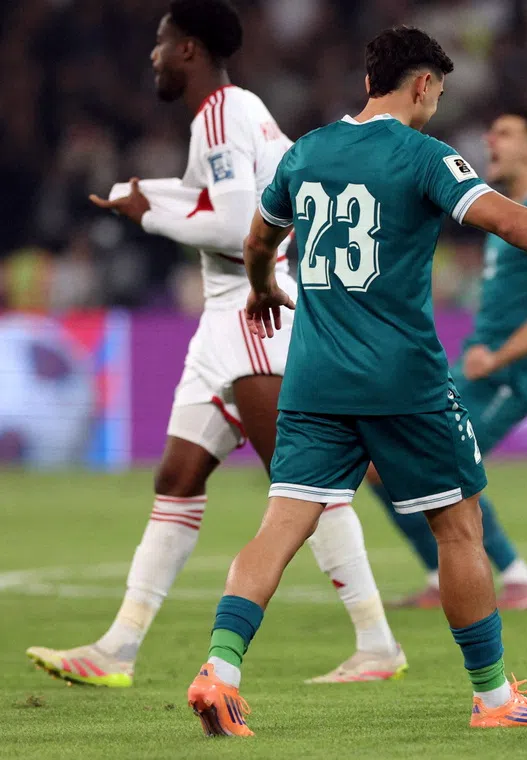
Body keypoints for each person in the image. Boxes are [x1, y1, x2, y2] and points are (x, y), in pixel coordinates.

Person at [185, 26, 527, 736]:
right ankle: (496, 699)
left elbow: (258, 241)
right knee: (459, 526)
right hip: (403, 381)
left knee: (281, 526)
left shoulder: (308, 152)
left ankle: (219, 672)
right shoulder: (424, 157)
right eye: (438, 89)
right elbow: (507, 219)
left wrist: (262, 287)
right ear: (420, 84)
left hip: (314, 380)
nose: (438, 102)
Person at [25, 0, 403, 688]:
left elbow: (235, 229)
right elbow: (217, 197)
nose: (153, 56)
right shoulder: (232, 114)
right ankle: (118, 648)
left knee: (301, 483)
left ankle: (377, 643)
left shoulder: (225, 113)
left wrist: (150, 218)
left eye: (163, 44)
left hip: (255, 316)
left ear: (191, 50)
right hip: (222, 322)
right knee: (177, 478)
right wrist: (149, 192)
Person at [367, 109, 527, 610]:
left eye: (505, 132)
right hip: (476, 367)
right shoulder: (507, 210)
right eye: (491, 131)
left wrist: (497, 359)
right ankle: (438, 575)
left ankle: (520, 579)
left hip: (510, 375)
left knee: (444, 464)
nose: (490, 139)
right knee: (381, 464)